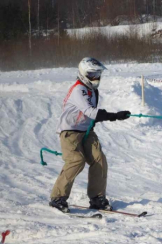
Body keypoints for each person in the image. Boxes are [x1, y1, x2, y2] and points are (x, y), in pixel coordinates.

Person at [49, 57, 130, 213]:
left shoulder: (93, 91)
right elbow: (91, 112)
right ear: (83, 74)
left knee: (99, 159)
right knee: (76, 161)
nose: (96, 78)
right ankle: (57, 197)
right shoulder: (78, 90)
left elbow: (89, 116)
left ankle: (96, 198)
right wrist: (115, 115)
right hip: (70, 131)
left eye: (98, 74)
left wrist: (114, 116)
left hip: (86, 131)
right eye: (92, 74)